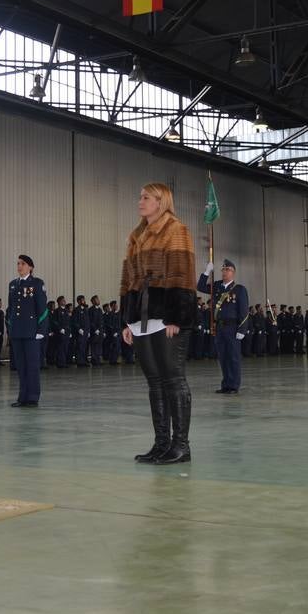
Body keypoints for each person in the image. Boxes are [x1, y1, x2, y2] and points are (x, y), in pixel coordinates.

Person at [120, 182, 197, 465]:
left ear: (161, 201)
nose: (140, 201)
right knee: (155, 383)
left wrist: (177, 317)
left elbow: (182, 273)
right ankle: (162, 444)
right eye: (140, 196)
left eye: (146, 197)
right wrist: (126, 320)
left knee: (174, 380)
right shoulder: (135, 235)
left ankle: (181, 446)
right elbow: (127, 280)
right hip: (141, 318)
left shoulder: (176, 230)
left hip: (167, 316)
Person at [199, 259, 249, 394]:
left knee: (233, 357)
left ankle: (233, 386)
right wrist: (206, 272)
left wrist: (242, 329)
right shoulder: (217, 287)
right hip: (220, 328)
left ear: (233, 272)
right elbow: (200, 287)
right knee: (223, 357)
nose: (224, 272)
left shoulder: (239, 290)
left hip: (232, 328)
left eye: (227, 270)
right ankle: (226, 384)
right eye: (223, 270)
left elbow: (244, 311)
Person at [7, 255, 48, 407]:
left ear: (30, 267)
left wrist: (41, 331)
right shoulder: (13, 284)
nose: (19, 266)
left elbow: (43, 310)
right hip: (17, 332)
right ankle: (22, 397)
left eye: (22, 264)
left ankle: (32, 397)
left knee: (32, 366)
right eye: (18, 263)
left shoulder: (37, 284)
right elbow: (10, 309)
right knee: (21, 366)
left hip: (32, 333)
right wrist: (10, 327)